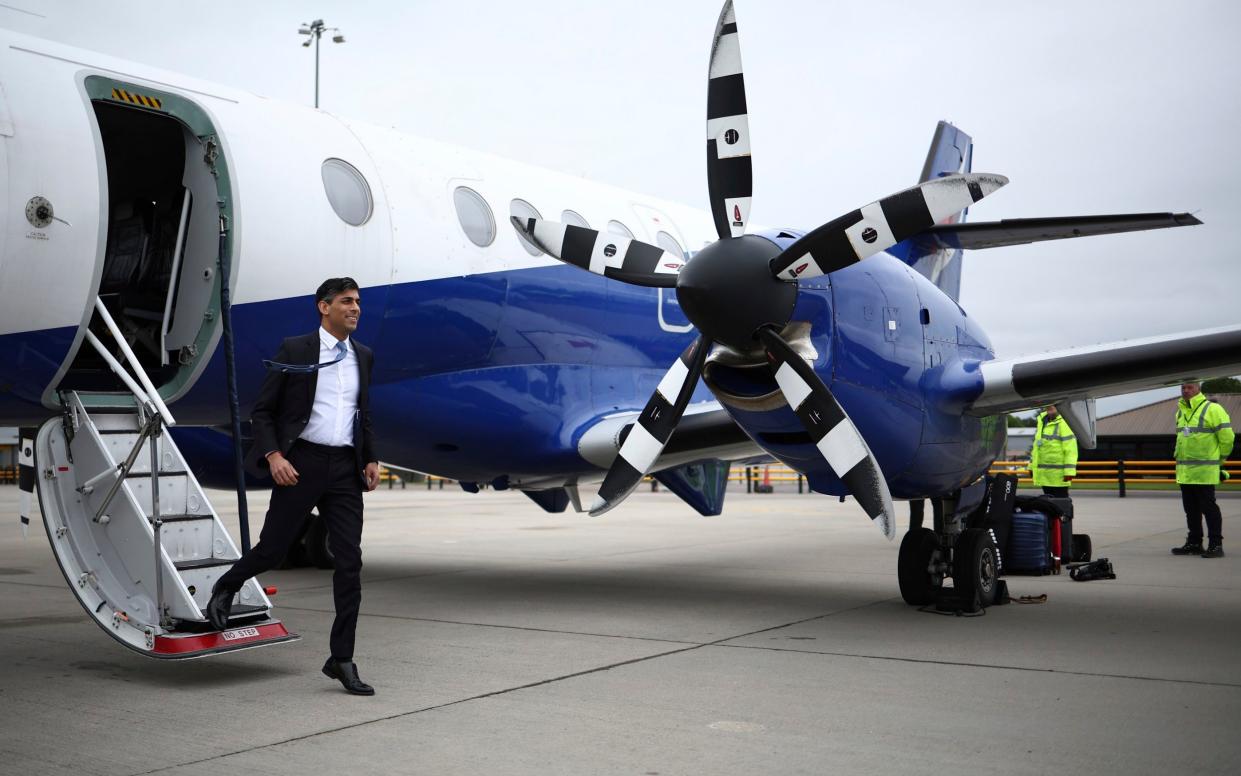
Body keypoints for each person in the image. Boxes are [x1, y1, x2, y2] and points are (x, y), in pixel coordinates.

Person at [208, 277, 381, 694]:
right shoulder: (296, 349)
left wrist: (371, 456)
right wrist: (274, 456)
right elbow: (263, 412)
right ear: (324, 307)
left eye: (358, 302)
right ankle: (228, 584)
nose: (355, 308)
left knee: (349, 564)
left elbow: (363, 413)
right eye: (346, 301)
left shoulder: (364, 356)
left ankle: (341, 659)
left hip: (344, 469)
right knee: (273, 549)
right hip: (300, 462)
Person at [1171, 382, 1233, 558]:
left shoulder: (1213, 409)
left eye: (1190, 387)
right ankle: (1194, 542)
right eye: (1183, 388)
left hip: (1205, 472)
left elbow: (1227, 438)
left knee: (1209, 509)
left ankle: (1216, 545)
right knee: (1190, 510)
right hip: (1185, 472)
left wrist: (1219, 460)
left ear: (1198, 389)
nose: (1186, 391)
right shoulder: (1180, 412)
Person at [1030, 404, 1077, 498]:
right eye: (1048, 403)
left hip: (1059, 477)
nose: (1050, 406)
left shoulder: (1064, 423)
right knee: (1049, 505)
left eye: (1054, 404)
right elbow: (1036, 448)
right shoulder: (1042, 422)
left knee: (1061, 504)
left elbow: (1071, 450)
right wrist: (1031, 466)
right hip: (1045, 476)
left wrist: (1069, 472)